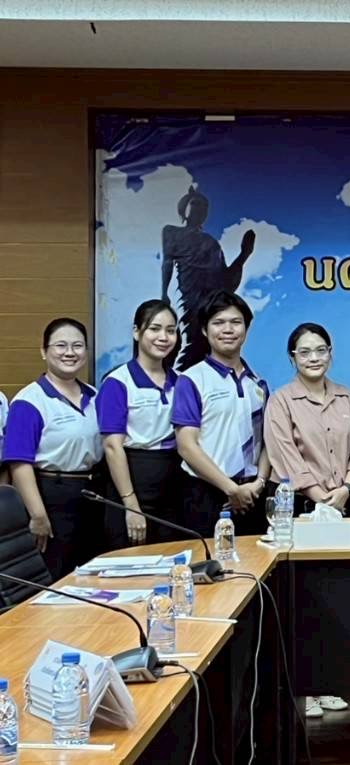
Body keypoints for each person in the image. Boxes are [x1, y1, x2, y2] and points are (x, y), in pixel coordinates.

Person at [264, 322, 350, 718]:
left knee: (337, 595)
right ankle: (302, 687)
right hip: (299, 508)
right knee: (300, 597)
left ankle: (327, 681)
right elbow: (283, 454)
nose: (313, 358)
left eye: (320, 350)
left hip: (343, 503)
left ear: (331, 353)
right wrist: (320, 496)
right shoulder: (281, 401)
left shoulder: (347, 398)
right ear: (292, 357)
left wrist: (345, 488)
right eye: (304, 352)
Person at [2, 318, 104, 578]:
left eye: (77, 346)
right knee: (58, 575)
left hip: (93, 495)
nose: (70, 352)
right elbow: (19, 464)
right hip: (52, 497)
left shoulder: (94, 395)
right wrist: (37, 515)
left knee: (92, 575)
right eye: (61, 345)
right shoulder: (29, 401)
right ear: (44, 351)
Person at [171, 290, 271, 538]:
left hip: (252, 493)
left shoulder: (258, 383)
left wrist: (259, 483)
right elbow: (186, 446)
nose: (228, 329)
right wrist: (230, 489)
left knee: (256, 560)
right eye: (218, 323)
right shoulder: (192, 380)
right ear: (205, 330)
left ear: (246, 329)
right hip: (206, 494)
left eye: (236, 322)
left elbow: (268, 442)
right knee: (208, 560)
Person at [96, 299, 185, 548]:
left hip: (172, 483)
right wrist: (131, 505)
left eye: (170, 330)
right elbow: (112, 447)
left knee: (173, 557)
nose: (163, 337)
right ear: (136, 332)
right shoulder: (118, 382)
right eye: (154, 329)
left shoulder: (181, 381)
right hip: (132, 479)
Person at [161, 186, 256, 370]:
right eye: (195, 204)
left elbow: (226, 284)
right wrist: (164, 293)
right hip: (188, 299)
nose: (199, 209)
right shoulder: (172, 233)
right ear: (184, 208)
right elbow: (167, 262)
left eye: (203, 207)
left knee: (204, 350)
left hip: (209, 304)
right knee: (188, 343)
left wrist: (244, 254)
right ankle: (177, 382)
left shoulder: (212, 244)